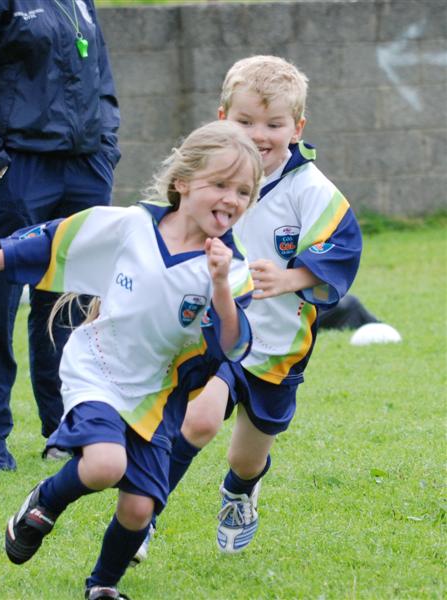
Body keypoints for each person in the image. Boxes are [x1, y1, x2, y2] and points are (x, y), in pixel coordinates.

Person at [0, 121, 263, 600]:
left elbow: (229, 346)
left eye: (243, 190)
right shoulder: (131, 226)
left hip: (156, 396)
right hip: (97, 369)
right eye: (220, 184)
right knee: (103, 464)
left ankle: (102, 586)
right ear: (182, 182)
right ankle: (42, 505)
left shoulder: (230, 268)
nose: (232, 198)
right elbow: (57, 239)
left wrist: (221, 285)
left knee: (139, 510)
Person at [132, 55, 363, 562]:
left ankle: (239, 492)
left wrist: (292, 278)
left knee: (246, 455)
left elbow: (343, 250)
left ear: (297, 127)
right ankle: (142, 518)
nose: (259, 135)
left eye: (274, 125)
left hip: (279, 347)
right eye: (245, 121)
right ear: (222, 118)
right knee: (198, 421)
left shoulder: (312, 191)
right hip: (217, 330)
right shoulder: (208, 175)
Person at [0, 0, 121, 472]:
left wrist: (105, 146)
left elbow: (98, 69)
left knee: (72, 305)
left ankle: (67, 429)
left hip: (83, 166)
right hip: (16, 166)